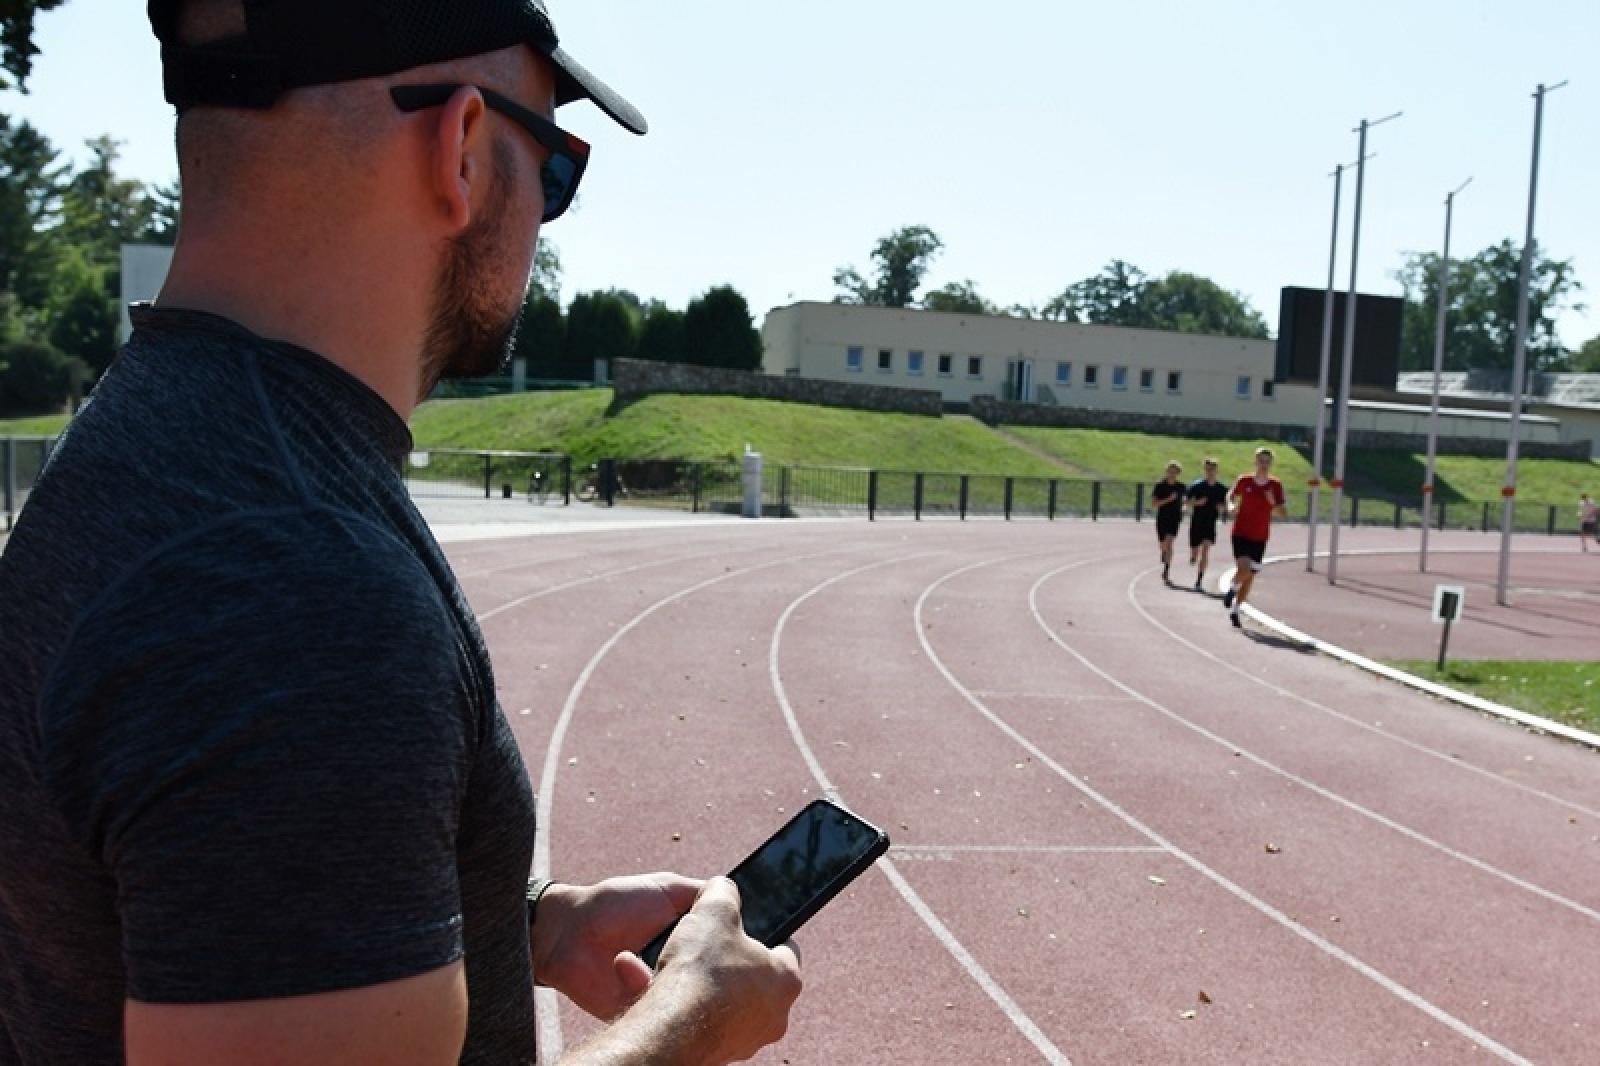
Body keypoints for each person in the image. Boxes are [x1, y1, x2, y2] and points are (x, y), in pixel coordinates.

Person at [0, 2, 800, 1064]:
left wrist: (515, 926)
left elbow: (185, 907)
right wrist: (692, 1021)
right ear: (460, 147)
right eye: (552, 165)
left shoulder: (161, 436)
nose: (546, 213)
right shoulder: (292, 584)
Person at [1222, 447, 1288, 629]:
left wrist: (1272, 502)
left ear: (1271, 464)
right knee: (1243, 567)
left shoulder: (1275, 485)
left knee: (1250, 577)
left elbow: (1282, 513)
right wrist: (1230, 505)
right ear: (1255, 461)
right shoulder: (1245, 480)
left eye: (1267, 461)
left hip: (1260, 536)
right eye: (1261, 460)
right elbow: (1230, 495)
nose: (1264, 464)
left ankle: (1236, 609)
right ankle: (1232, 591)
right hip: (1241, 532)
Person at [1186, 457, 1229, 591]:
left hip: (1210, 523)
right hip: (1197, 521)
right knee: (1195, 551)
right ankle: (1193, 556)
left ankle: (1199, 580)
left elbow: (1225, 506)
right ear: (1204, 470)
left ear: (1217, 471)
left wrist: (1222, 508)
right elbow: (1185, 502)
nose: (1210, 472)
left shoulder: (1221, 489)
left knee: (1205, 551)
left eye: (1213, 469)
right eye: (1208, 469)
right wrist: (1197, 503)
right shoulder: (1197, 486)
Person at [1151, 460, 1185, 583]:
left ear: (1178, 473)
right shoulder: (1160, 485)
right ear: (1166, 472)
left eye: (1175, 472)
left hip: (1175, 518)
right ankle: (1163, 551)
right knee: (1163, 544)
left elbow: (1184, 501)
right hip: (1162, 518)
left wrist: (1184, 507)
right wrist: (1168, 499)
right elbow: (1154, 504)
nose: (1172, 474)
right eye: (1170, 472)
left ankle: (1166, 570)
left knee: (1170, 543)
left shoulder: (1181, 487)